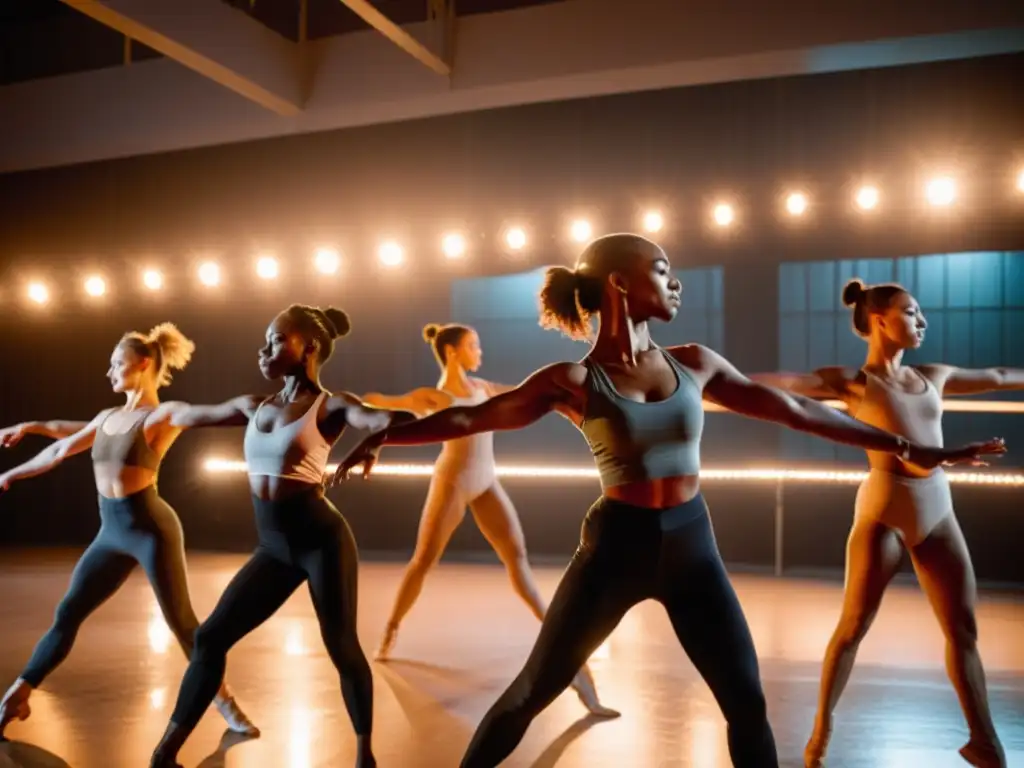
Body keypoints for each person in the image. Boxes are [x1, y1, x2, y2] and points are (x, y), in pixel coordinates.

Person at [332, 234, 1005, 768]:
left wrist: (909, 447)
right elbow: (467, 419)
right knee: (529, 694)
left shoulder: (696, 362)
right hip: (615, 549)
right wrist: (387, 438)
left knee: (746, 705)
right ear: (620, 283)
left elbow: (798, 413)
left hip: (692, 548)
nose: (674, 281)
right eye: (662, 269)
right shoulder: (571, 378)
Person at [750, 279, 1019, 768]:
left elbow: (1000, 373)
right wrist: (709, 378)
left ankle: (985, 743)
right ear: (879, 319)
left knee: (963, 631)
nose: (923, 321)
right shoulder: (851, 381)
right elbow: (784, 384)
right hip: (883, 512)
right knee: (853, 628)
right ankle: (820, 734)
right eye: (912, 312)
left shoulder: (933, 374)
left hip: (937, 509)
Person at [148, 305, 425, 768]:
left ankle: (364, 758)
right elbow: (183, 414)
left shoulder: (330, 406)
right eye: (266, 340)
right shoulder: (253, 405)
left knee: (341, 646)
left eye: (277, 339)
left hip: (323, 541)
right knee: (211, 639)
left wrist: (371, 442)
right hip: (274, 549)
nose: (264, 349)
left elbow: (399, 418)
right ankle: (165, 754)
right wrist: (135, 412)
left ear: (309, 347)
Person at [0, 324, 256, 739]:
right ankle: (20, 691)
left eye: (117, 364)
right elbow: (62, 444)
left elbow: (211, 413)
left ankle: (224, 701)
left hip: (151, 529)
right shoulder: (107, 417)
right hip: (111, 533)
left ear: (143, 364)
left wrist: (260, 406)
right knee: (67, 614)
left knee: (184, 625)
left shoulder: (162, 414)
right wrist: (12, 469)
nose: (109, 372)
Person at [360, 323, 615, 716]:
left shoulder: (484, 387)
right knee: (424, 560)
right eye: (472, 345)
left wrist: (574, 393)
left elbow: (526, 394)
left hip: (486, 481)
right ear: (451, 352)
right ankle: (392, 627)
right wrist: (349, 405)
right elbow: (384, 401)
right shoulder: (435, 396)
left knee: (519, 562)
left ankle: (568, 656)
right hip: (452, 483)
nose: (479, 351)